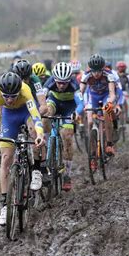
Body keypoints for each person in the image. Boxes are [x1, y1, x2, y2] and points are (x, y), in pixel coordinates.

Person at [0, 72, 45, 225]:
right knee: (6, 159)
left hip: (25, 112)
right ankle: (5, 206)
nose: (10, 99)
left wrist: (39, 135)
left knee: (33, 131)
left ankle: (36, 169)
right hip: (8, 117)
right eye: (6, 96)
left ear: (19, 91)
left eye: (13, 96)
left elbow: (37, 117)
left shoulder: (25, 91)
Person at [42, 62, 83, 191]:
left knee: (67, 137)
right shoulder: (49, 82)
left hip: (69, 108)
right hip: (54, 103)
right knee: (46, 114)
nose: (60, 85)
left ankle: (67, 176)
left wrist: (77, 113)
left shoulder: (74, 84)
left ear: (69, 80)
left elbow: (81, 103)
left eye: (64, 83)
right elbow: (42, 99)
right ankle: (47, 142)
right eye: (58, 82)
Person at [80, 54, 117, 156]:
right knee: (90, 122)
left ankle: (109, 144)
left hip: (105, 96)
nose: (96, 74)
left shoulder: (109, 74)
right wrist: (81, 103)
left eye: (98, 71)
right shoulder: (86, 75)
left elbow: (112, 94)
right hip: (93, 97)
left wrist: (110, 102)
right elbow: (80, 92)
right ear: (90, 69)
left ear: (102, 69)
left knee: (106, 111)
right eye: (93, 71)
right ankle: (92, 151)